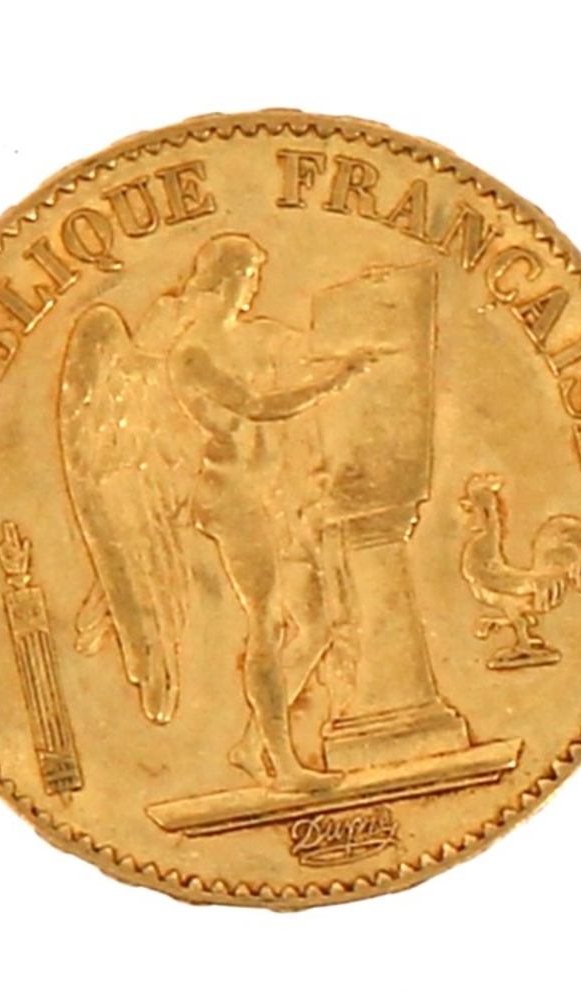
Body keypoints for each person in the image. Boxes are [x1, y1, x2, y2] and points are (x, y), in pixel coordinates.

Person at [168, 234, 378, 791]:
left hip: (277, 493)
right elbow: (256, 407)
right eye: (248, 277)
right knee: (266, 622)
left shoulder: (254, 336)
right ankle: (283, 767)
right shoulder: (191, 355)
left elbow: (306, 350)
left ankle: (251, 743)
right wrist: (333, 380)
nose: (253, 288)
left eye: (256, 278)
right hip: (232, 496)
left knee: (319, 623)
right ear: (224, 280)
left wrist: (350, 350)